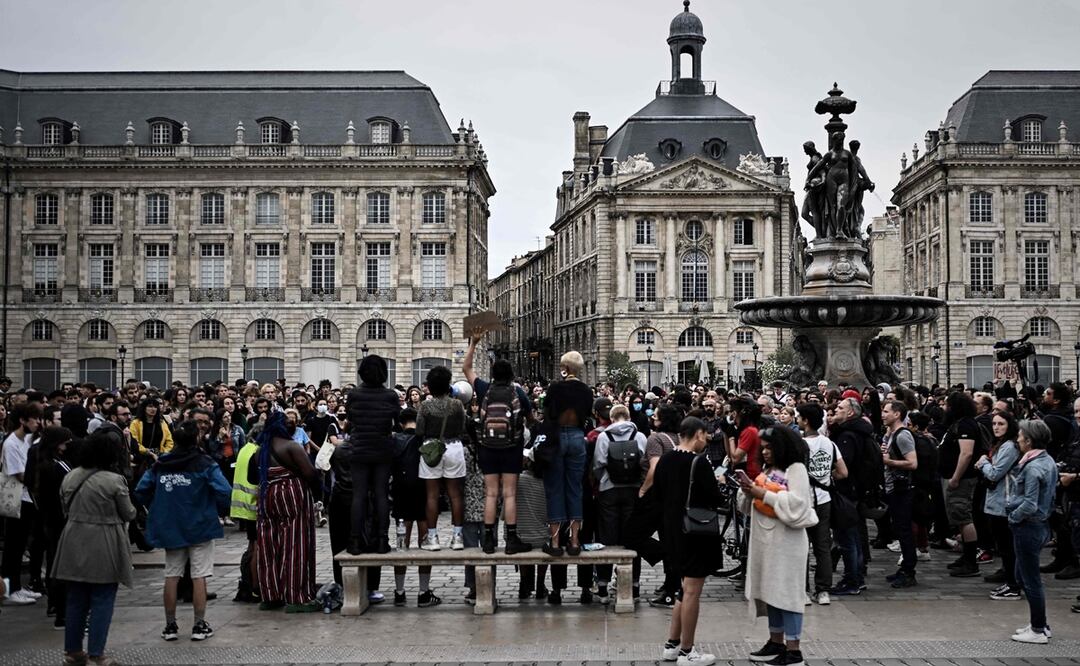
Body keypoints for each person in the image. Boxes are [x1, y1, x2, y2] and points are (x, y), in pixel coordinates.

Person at [135, 420, 232, 642]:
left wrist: (158, 505)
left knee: (171, 575)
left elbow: (141, 490)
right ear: (196, 438)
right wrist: (216, 508)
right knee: (199, 576)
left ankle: (170, 625)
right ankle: (199, 624)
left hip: (171, 526)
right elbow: (225, 490)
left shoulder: (162, 463)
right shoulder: (204, 462)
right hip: (200, 525)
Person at [53, 429, 137, 666]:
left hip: (72, 537)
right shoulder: (113, 480)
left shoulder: (71, 476)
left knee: (76, 598)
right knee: (102, 597)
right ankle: (97, 653)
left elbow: (64, 506)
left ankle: (72, 651)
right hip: (104, 540)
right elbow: (128, 512)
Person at [741, 426, 818, 666]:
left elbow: (798, 505)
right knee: (770, 593)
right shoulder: (769, 469)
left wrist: (762, 494)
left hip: (787, 544)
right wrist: (747, 491)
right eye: (763, 448)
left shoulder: (796, 469)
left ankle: (794, 651)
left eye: (769, 448)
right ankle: (776, 642)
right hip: (766, 543)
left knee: (788, 594)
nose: (765, 452)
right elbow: (750, 504)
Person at [654, 417, 721, 666]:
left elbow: (658, 493)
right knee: (692, 591)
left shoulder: (665, 459)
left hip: (672, 530)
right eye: (705, 435)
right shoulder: (698, 462)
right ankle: (687, 651)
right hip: (695, 532)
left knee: (683, 589)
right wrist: (720, 482)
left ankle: (672, 644)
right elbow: (714, 497)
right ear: (698, 434)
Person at [463, 332, 534, 555]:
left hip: (487, 447)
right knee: (509, 493)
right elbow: (530, 418)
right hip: (511, 448)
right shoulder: (518, 392)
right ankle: (511, 540)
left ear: (493, 374)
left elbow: (466, 368)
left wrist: (473, 344)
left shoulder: (484, 389)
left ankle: (487, 540)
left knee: (491, 493)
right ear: (511, 375)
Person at [251, 410, 319, 612]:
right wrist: (319, 492)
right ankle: (297, 597)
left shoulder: (260, 450)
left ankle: (271, 595)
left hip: (267, 496)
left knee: (268, 545)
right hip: (291, 495)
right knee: (295, 544)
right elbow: (310, 473)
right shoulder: (292, 446)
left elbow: (252, 477)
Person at [1007, 419, 1059, 644]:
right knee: (1023, 575)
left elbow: (1030, 503)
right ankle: (1040, 623)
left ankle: (1038, 629)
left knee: (1030, 579)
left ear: (1029, 440)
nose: (1017, 439)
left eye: (1020, 436)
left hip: (1029, 526)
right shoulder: (1046, 461)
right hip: (1039, 524)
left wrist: (1013, 516)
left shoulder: (1033, 466)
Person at [345, 355, 400, 554]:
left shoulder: (354, 394)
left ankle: (355, 540)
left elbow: (350, 418)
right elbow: (397, 422)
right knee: (381, 494)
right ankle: (382, 540)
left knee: (359, 495)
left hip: (359, 448)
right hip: (382, 449)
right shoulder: (390, 396)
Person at [593, 404, 647, 603]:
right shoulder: (639, 436)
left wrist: (604, 480)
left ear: (612, 418)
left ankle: (603, 586)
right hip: (633, 490)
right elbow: (644, 462)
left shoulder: (604, 437)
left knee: (607, 536)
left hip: (609, 489)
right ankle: (633, 585)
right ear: (629, 417)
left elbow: (598, 464)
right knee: (632, 536)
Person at [541, 351, 593, 556]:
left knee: (555, 489)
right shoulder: (586, 390)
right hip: (577, 437)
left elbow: (547, 413)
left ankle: (555, 542)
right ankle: (574, 540)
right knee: (575, 489)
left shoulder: (555, 388)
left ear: (566, 368)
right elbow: (587, 414)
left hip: (557, 436)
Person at [798, 403, 846, 603]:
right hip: (824, 499)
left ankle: (803, 591)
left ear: (806, 421)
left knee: (801, 547)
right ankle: (823, 590)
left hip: (803, 500)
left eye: (799, 417)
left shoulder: (799, 445)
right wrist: (825, 478)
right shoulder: (829, 443)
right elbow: (843, 472)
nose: (797, 420)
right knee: (822, 546)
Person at [416, 365, 468, 551]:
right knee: (455, 494)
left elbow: (419, 430)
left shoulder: (425, 406)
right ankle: (457, 537)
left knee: (432, 495)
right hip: (454, 447)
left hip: (432, 449)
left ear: (430, 386)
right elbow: (463, 427)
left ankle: (432, 538)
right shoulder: (457, 405)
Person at [975, 410, 1021, 599]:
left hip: (1004, 501)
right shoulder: (1000, 444)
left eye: (1001, 424)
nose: (996, 427)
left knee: (1007, 547)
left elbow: (995, 473)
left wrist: (983, 463)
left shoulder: (1009, 446)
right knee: (1004, 546)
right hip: (997, 500)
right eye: (994, 424)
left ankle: (1013, 584)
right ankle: (1010, 581)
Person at [32, 426, 75, 627]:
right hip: (61, 519)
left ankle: (55, 605)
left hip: (49, 519)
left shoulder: (43, 463)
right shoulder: (58, 465)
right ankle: (63, 609)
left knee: (54, 562)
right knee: (63, 565)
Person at [1, 401, 43, 604]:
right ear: (22, 420)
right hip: (17, 499)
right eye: (34, 419)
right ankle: (9, 589)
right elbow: (19, 474)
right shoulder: (11, 444)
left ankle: (17, 586)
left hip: (27, 498)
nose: (38, 423)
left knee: (21, 543)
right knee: (13, 546)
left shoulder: (26, 440)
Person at [939, 392, 984, 577]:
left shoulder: (966, 425)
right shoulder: (958, 424)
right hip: (953, 477)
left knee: (964, 517)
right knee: (958, 517)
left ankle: (971, 561)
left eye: (947, 405)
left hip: (962, 479)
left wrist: (956, 477)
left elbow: (966, 453)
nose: (944, 408)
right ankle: (966, 555)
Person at [881, 400, 919, 588]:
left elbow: (912, 463)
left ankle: (909, 570)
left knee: (904, 530)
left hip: (902, 489)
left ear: (897, 414)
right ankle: (905, 567)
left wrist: (890, 462)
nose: (883, 414)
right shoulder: (891, 434)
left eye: (886, 411)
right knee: (899, 528)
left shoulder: (903, 435)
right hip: (894, 488)